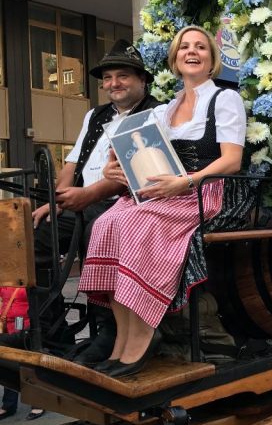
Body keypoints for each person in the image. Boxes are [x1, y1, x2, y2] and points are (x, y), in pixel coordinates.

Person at [78, 26, 247, 378]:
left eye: (200, 47)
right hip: (165, 190)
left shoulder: (223, 99)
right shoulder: (167, 108)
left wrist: (184, 182)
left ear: (211, 58)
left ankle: (144, 333)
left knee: (133, 222)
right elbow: (130, 150)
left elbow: (231, 161)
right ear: (175, 58)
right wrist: (117, 168)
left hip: (202, 191)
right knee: (107, 223)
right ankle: (123, 337)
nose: (192, 51)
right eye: (184, 46)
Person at [6, 41, 161, 366]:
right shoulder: (95, 115)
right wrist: (57, 200)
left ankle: (106, 329)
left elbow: (134, 174)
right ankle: (52, 333)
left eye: (122, 76)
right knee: (34, 235)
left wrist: (87, 196)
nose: (113, 83)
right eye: (107, 77)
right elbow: (71, 166)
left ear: (142, 80)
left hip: (124, 204)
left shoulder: (154, 113)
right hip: (81, 201)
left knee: (98, 231)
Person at [0, 288, 45, 420]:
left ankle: (38, 403)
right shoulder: (6, 282)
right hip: (7, 328)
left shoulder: (27, 281)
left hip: (24, 328)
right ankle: (9, 405)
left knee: (28, 366)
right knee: (8, 365)